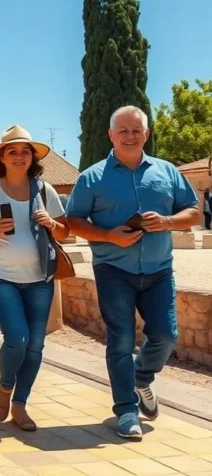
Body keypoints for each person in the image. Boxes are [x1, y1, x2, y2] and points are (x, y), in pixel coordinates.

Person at [66, 106, 200, 440]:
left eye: (136, 130)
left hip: (158, 270)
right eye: (123, 130)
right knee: (121, 339)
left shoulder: (167, 172)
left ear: (147, 134)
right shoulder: (92, 177)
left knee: (166, 335)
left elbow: (194, 212)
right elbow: (73, 221)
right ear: (111, 135)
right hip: (114, 270)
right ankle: (126, 410)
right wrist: (109, 234)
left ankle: (140, 377)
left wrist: (168, 221)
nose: (130, 136)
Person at [0, 125, 70, 432]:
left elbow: (65, 232)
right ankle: (6, 386)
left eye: (25, 151)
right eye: (13, 151)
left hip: (40, 278)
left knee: (35, 346)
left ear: (32, 157)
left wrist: (51, 222)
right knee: (18, 339)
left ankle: (20, 406)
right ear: (2, 158)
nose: (19, 156)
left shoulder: (45, 190)